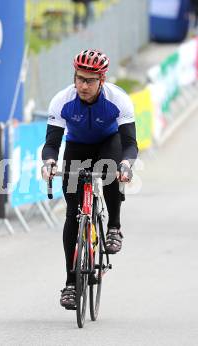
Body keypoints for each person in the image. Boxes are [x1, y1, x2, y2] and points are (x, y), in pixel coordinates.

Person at [41, 49, 138, 309]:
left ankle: (114, 227)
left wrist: (126, 165)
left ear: (101, 81)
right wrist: (49, 162)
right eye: (79, 78)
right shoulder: (62, 100)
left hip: (109, 142)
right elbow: (51, 144)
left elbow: (130, 143)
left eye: (90, 80)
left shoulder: (118, 99)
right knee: (73, 213)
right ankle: (71, 283)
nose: (83, 85)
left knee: (110, 172)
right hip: (77, 147)